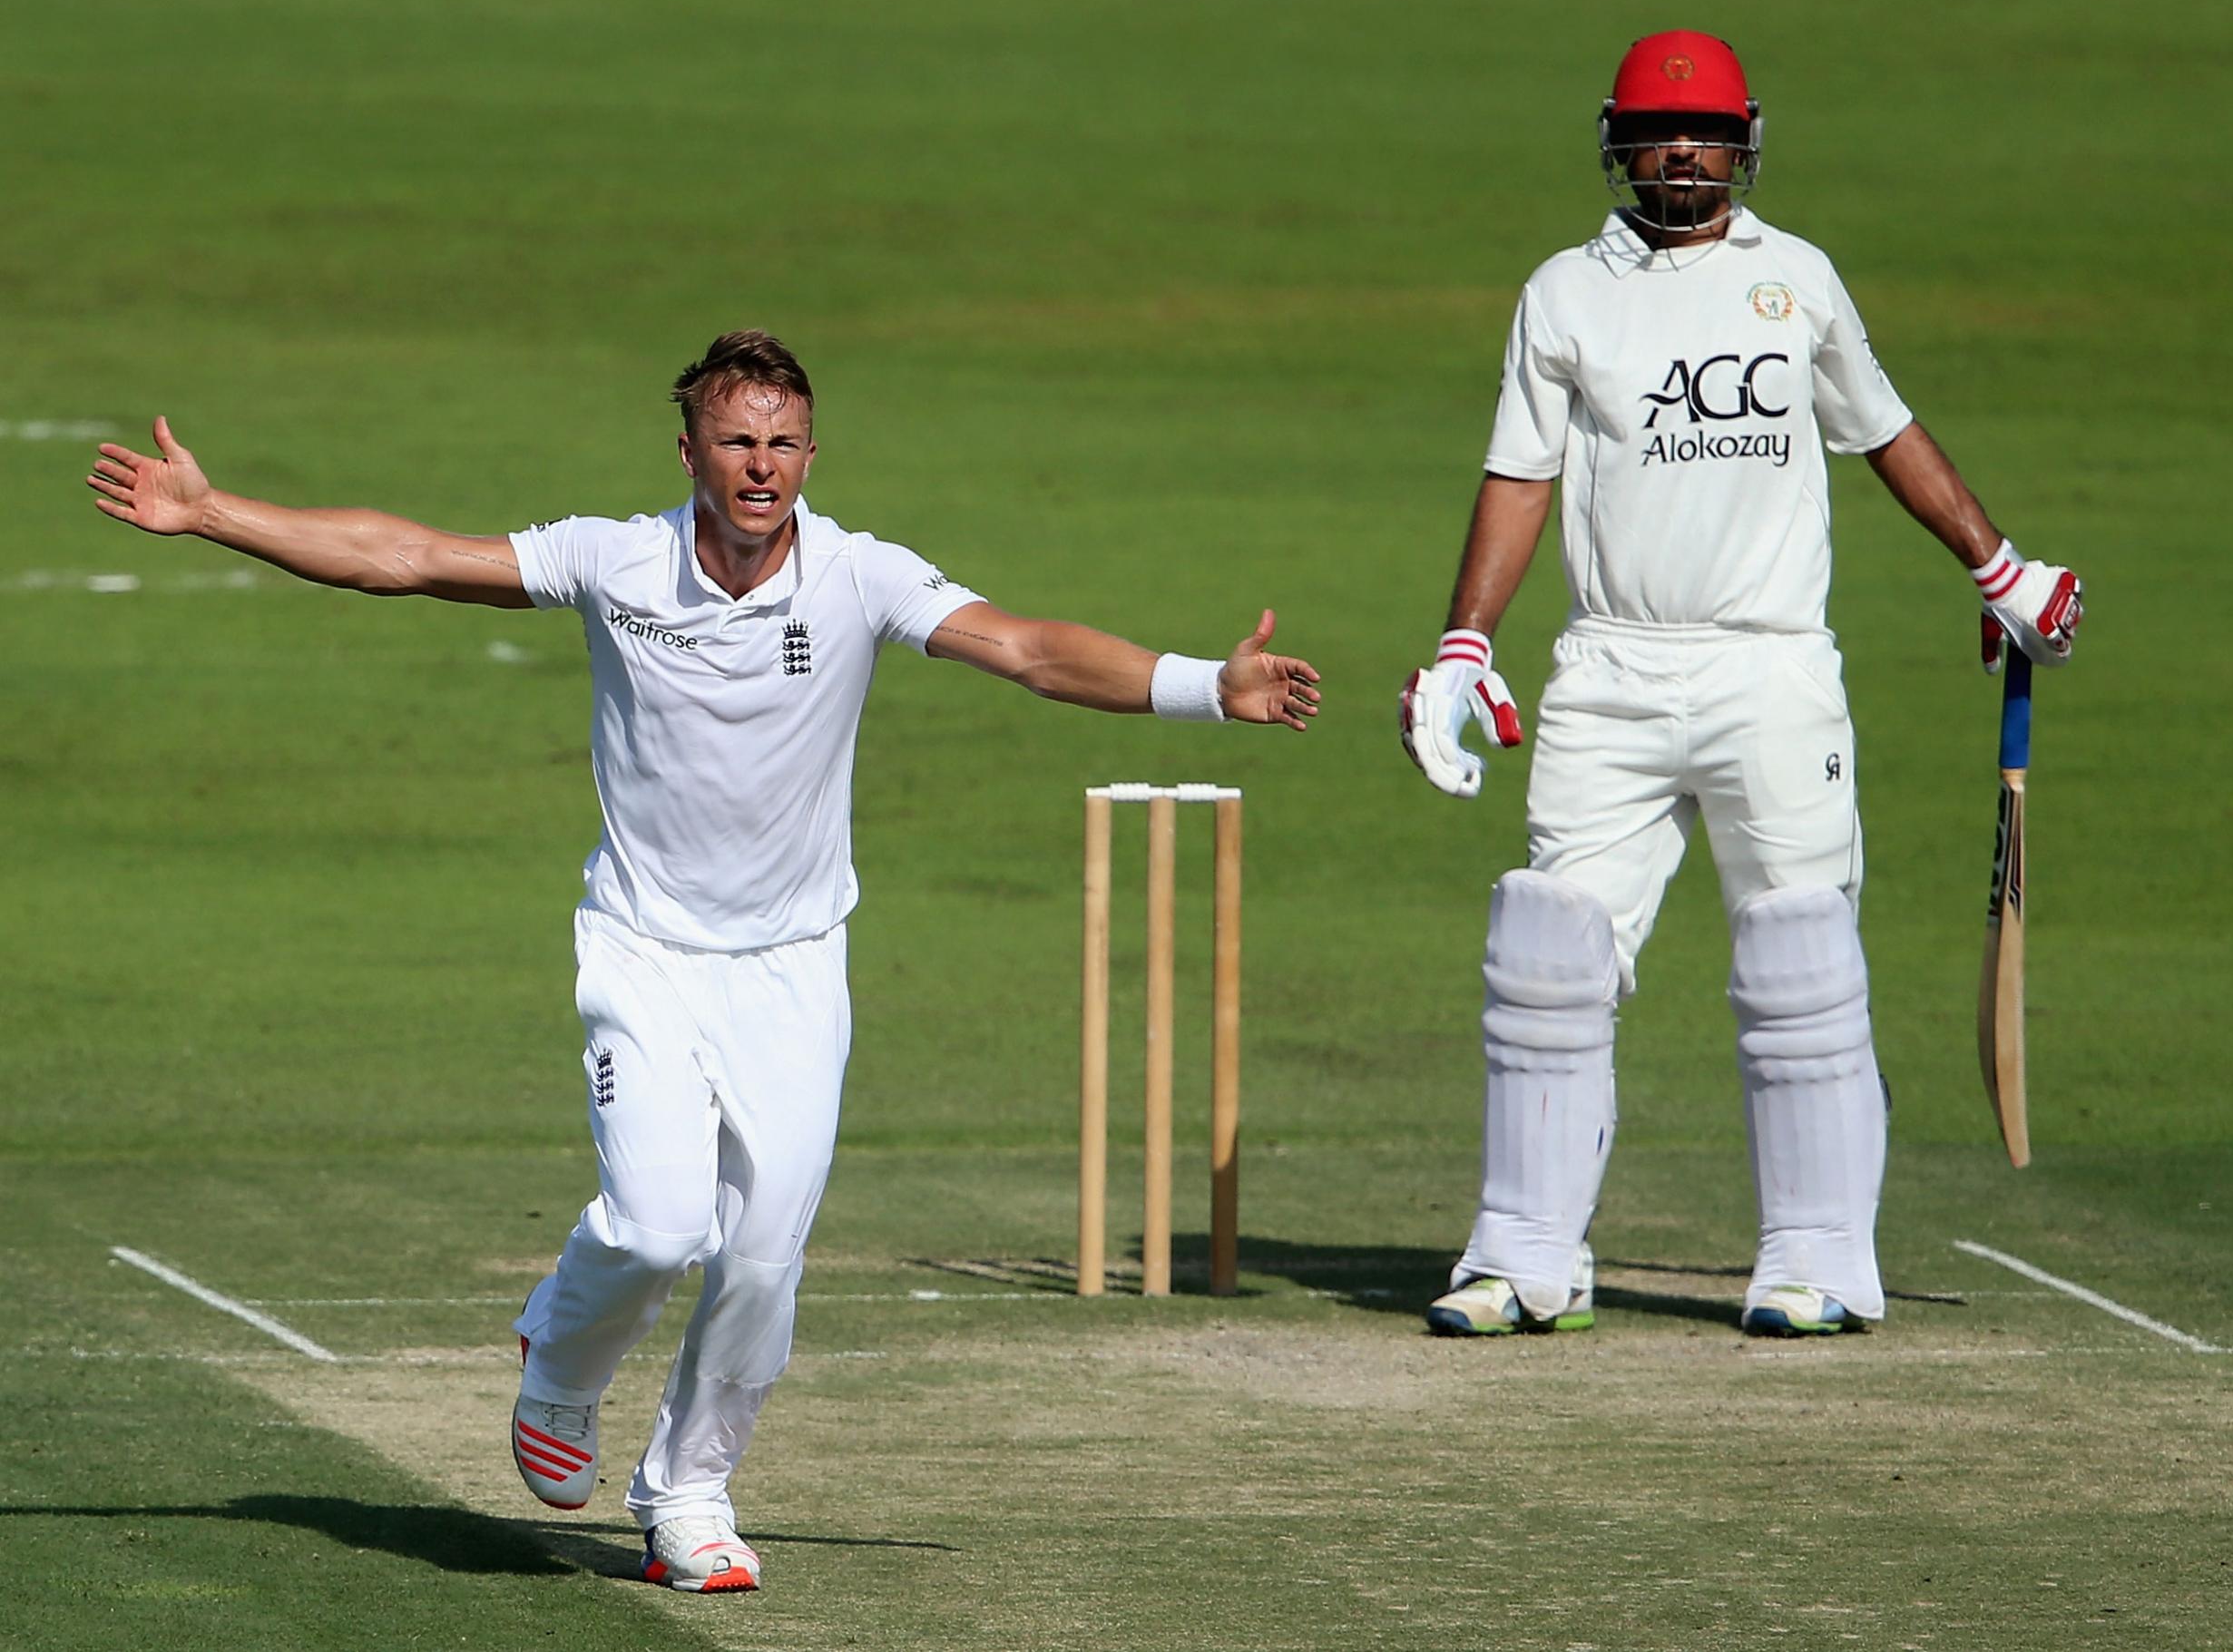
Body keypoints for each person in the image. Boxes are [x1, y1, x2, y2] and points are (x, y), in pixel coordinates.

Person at [88, 329, 1323, 1592]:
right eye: (737, 440)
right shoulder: (616, 560)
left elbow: (1026, 649)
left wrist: (1200, 688)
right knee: (657, 1226)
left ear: (811, 454)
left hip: (795, 966)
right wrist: (213, 512)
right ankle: (562, 1361)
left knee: (764, 1256)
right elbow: (406, 558)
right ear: (689, 450)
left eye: (784, 442)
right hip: (644, 952)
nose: (762, 466)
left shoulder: (858, 574)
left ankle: (690, 1493)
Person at [1397, 33, 2081, 1342]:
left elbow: (1883, 428)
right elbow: (1519, 475)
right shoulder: (1566, 293)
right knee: (1552, 951)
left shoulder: (1799, 281)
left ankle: (1819, 1257)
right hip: (1611, 667)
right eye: (1661, 131)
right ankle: (1528, 1254)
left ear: (1744, 138)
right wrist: (1463, 647)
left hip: (1771, 668)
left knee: (1800, 952)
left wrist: (1999, 570)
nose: (1683, 153)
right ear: (1617, 140)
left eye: (1705, 130)